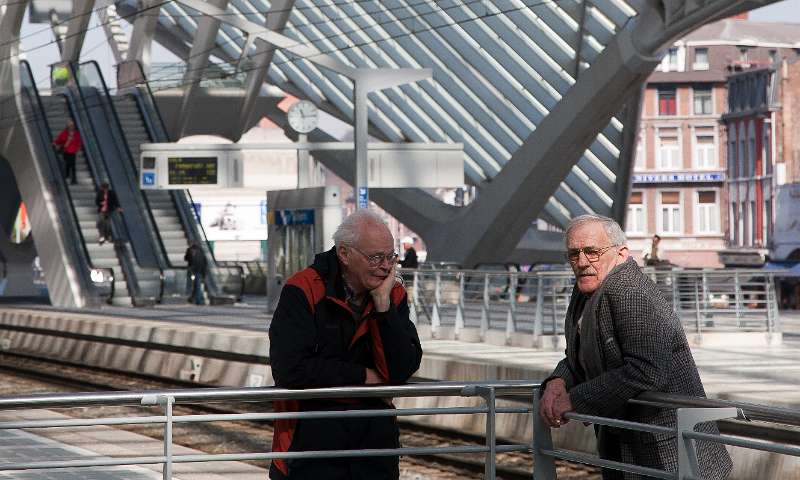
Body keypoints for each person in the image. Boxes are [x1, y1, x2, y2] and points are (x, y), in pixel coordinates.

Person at [539, 214, 731, 480]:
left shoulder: (630, 292)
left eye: (592, 252)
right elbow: (580, 354)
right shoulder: (587, 290)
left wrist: (576, 399)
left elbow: (647, 370)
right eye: (574, 254)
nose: (582, 262)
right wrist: (557, 381)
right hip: (626, 442)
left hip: (666, 449)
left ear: (621, 253)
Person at [268, 210, 423, 480]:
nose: (386, 266)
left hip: (375, 442)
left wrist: (383, 306)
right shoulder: (303, 289)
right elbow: (290, 369)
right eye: (375, 257)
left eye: (390, 256)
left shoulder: (392, 293)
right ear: (344, 254)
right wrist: (364, 377)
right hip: (310, 440)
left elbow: (401, 369)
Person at [52, 120, 82, 185]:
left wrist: (78, 147)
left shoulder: (76, 134)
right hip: (66, 151)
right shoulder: (64, 133)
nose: (72, 127)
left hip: (73, 151)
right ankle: (67, 175)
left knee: (72, 165)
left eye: (73, 125)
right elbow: (59, 140)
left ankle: (73, 179)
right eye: (70, 126)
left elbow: (79, 141)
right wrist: (55, 143)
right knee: (68, 163)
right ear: (68, 126)